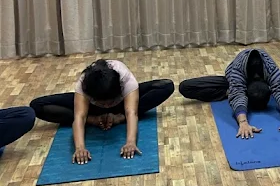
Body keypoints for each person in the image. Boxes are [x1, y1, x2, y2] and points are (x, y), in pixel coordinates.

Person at [30, 60, 174, 164]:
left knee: (165, 86)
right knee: (37, 106)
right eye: (103, 103)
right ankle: (94, 118)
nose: (106, 106)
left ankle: (118, 117)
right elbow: (79, 117)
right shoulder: (84, 84)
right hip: (92, 110)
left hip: (121, 106)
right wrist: (80, 148)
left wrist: (130, 142)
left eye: (108, 103)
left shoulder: (125, 79)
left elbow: (132, 113)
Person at [179, 49, 280, 139]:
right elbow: (238, 95)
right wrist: (243, 122)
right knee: (186, 87)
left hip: (266, 83)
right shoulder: (237, 71)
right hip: (235, 83)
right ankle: (230, 90)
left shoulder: (269, 67)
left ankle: (264, 87)